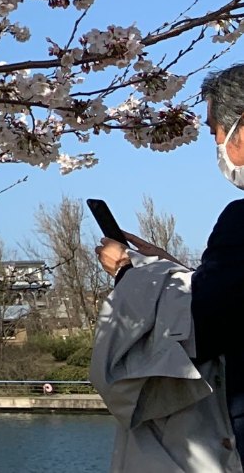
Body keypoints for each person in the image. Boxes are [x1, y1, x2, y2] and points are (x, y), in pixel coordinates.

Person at [96, 63, 244, 463]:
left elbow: (201, 328)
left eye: (215, 129)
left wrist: (129, 274)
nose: (214, 141)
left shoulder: (241, 221)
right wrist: (174, 268)